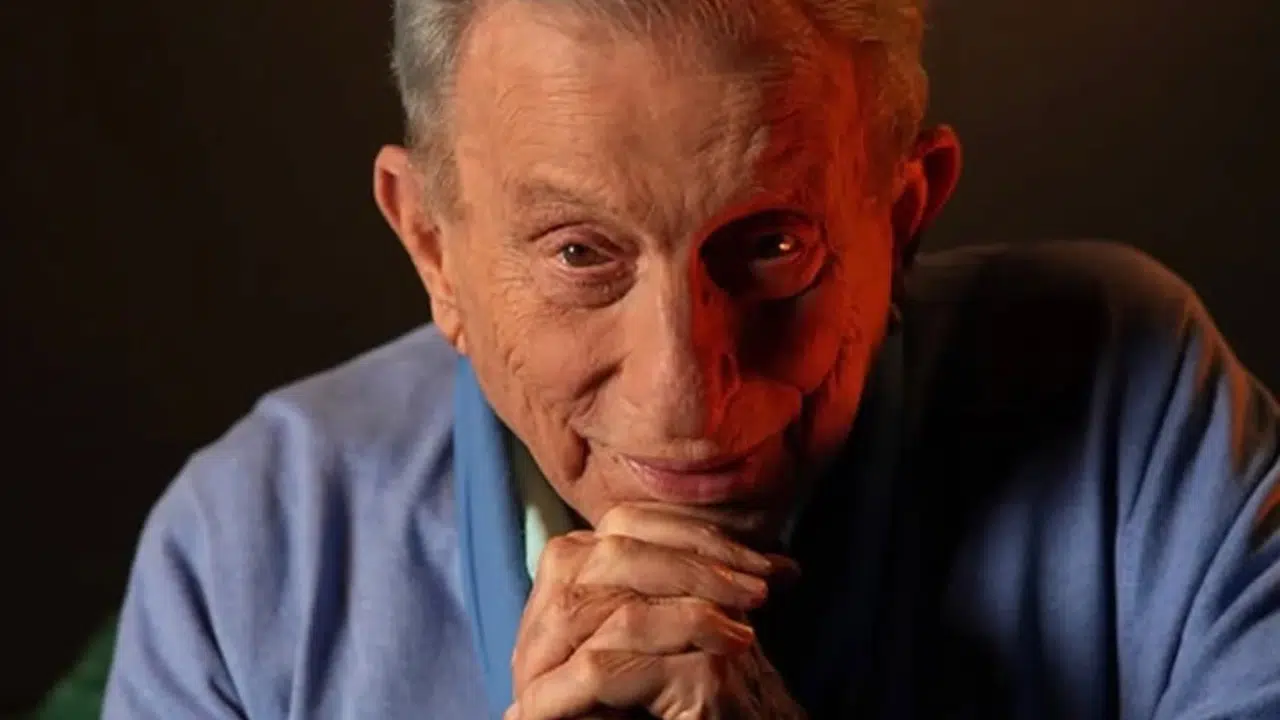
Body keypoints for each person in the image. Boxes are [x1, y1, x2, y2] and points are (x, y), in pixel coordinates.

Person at [102, 0, 1280, 717]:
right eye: (580, 254)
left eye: (770, 246)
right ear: (433, 250)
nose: (682, 396)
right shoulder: (248, 551)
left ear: (904, 213)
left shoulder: (1133, 406)